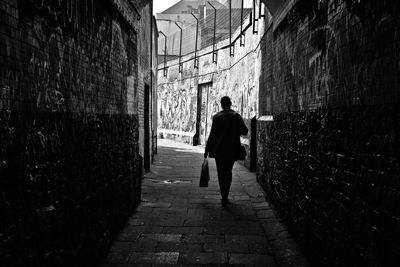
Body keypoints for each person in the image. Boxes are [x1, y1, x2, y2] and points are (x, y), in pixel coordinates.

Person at [204, 96, 248, 205]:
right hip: (232, 149)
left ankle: (222, 192)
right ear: (230, 103)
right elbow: (245, 131)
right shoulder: (236, 116)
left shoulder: (217, 117)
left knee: (220, 172)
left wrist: (207, 150)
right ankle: (226, 193)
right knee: (228, 171)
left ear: (221, 105)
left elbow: (212, 135)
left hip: (219, 150)